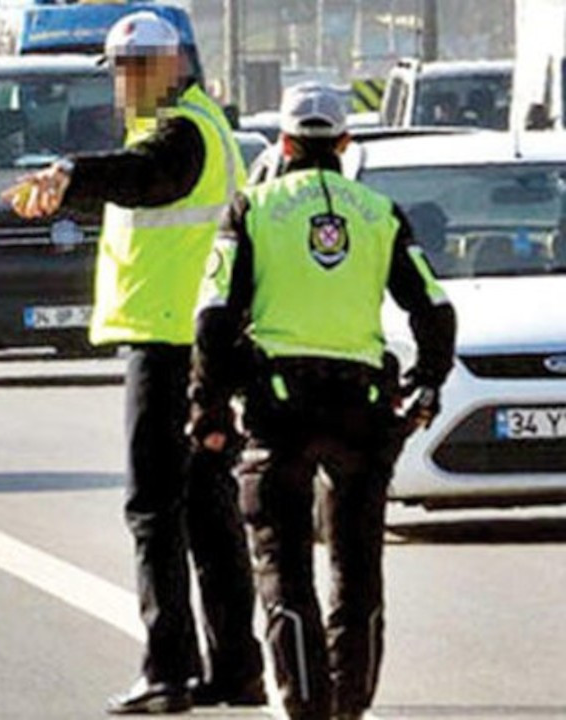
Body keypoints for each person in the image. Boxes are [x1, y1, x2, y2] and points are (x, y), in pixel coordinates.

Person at [4, 11, 265, 714]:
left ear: (169, 67)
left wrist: (71, 173)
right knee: (208, 513)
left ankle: (169, 671)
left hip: (170, 342)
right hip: (202, 343)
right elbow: (146, 184)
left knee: (154, 509)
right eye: (119, 72)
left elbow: (150, 178)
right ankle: (237, 670)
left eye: (131, 71)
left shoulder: (181, 133)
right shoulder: (197, 124)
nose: (122, 86)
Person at [189, 83, 457, 720]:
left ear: (282, 143)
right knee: (358, 566)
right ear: (344, 143)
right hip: (362, 407)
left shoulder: (251, 207)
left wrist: (209, 409)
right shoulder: (379, 212)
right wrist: (428, 381)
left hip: (278, 407)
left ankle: (306, 704)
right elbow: (434, 307)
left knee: (282, 564)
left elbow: (213, 318)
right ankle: (350, 704)